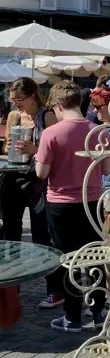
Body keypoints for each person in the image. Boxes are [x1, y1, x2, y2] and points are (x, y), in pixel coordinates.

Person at [35, 80, 110, 332]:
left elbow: (41, 173)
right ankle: (98, 311)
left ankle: (72, 316)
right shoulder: (99, 131)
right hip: (93, 202)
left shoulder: (51, 133)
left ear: (58, 106)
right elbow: (106, 169)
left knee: (68, 259)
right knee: (95, 256)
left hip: (61, 204)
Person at [1, 78, 61, 306]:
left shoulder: (47, 117)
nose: (16, 104)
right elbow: (6, 146)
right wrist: (9, 146)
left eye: (19, 99)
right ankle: (10, 289)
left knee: (42, 236)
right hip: (13, 179)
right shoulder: (14, 117)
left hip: (38, 181)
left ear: (33, 96)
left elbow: (57, 151)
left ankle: (55, 289)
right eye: (12, 100)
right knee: (10, 235)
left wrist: (35, 149)